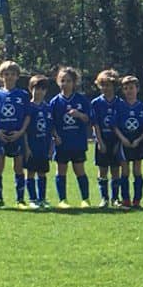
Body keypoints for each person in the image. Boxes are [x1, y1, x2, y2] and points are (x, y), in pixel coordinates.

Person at [0, 60, 31, 208]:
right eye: (6, 74)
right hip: (1, 135)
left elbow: (27, 115)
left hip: (16, 135)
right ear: (1, 76)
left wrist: (21, 131)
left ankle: (20, 199)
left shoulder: (23, 95)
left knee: (18, 167)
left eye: (13, 74)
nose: (9, 77)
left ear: (17, 76)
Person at [50, 67, 93, 209]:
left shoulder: (81, 100)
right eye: (62, 80)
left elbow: (88, 119)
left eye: (68, 81)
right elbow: (51, 123)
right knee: (61, 170)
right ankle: (62, 200)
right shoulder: (55, 102)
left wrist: (79, 115)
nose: (65, 83)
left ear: (74, 83)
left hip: (77, 142)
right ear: (58, 82)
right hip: (62, 143)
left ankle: (85, 199)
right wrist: (55, 136)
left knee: (79, 169)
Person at [90, 69, 123, 208]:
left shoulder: (120, 103)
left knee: (116, 169)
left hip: (116, 140)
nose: (105, 88)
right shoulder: (96, 103)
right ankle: (104, 198)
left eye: (108, 85)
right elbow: (95, 123)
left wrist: (119, 142)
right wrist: (99, 141)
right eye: (102, 85)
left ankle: (115, 198)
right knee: (102, 169)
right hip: (102, 140)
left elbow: (122, 125)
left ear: (114, 86)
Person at [115, 76, 143, 207]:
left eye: (131, 88)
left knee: (137, 171)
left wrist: (139, 139)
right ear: (123, 90)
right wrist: (123, 139)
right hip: (124, 143)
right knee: (125, 171)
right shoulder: (120, 106)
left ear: (137, 89)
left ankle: (137, 200)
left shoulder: (142, 107)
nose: (129, 91)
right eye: (126, 88)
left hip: (137, 142)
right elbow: (115, 126)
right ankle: (126, 199)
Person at [24, 75, 54, 209]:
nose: (39, 92)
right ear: (31, 89)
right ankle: (32, 199)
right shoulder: (28, 107)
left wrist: (51, 145)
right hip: (31, 145)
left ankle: (42, 198)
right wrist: (26, 147)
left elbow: (51, 128)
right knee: (30, 172)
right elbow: (24, 129)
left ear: (46, 91)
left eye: (42, 89)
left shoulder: (48, 108)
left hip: (44, 146)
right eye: (36, 89)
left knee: (42, 172)